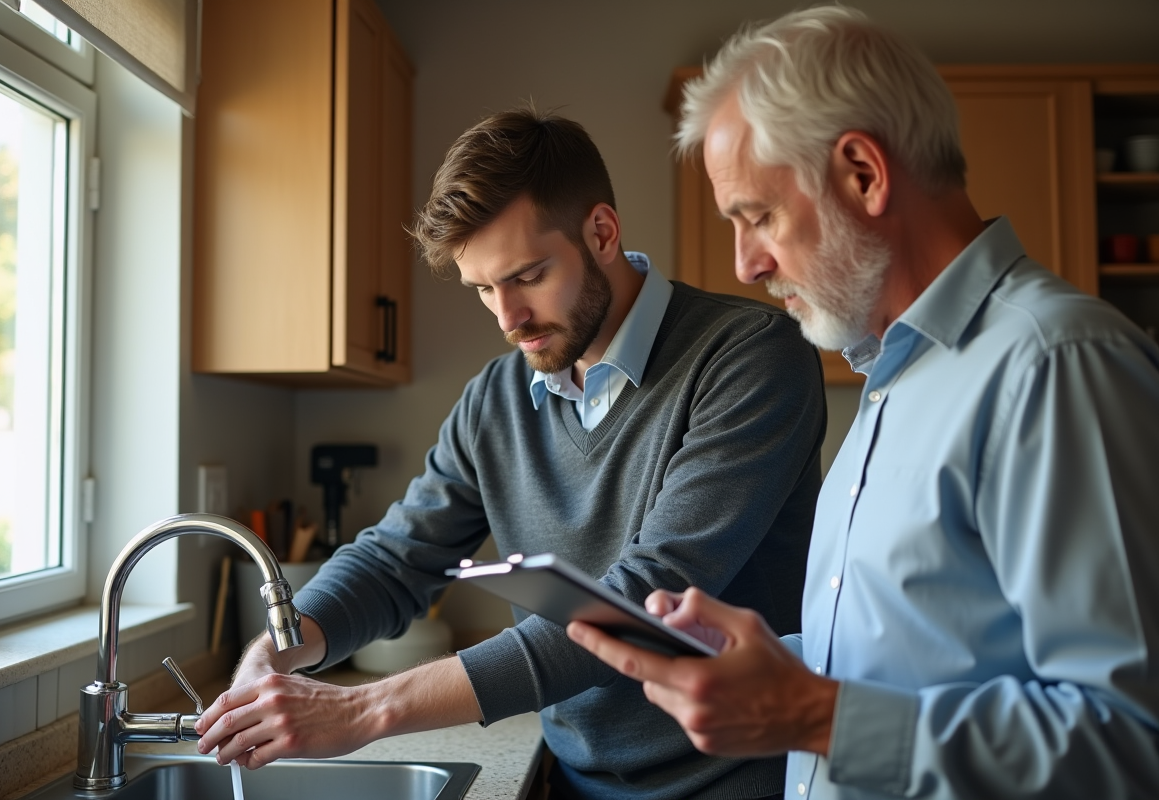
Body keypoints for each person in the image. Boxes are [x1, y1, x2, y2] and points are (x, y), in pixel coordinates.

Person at [568, 7, 1159, 799]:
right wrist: (780, 665)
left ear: (863, 175)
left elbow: (1130, 739)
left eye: (760, 216)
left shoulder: (1055, 366)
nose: (745, 264)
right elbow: (929, 655)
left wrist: (815, 715)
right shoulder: (895, 374)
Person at [195, 106, 827, 799]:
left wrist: (366, 708)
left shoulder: (750, 356)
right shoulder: (496, 397)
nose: (507, 318)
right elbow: (398, 559)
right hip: (573, 780)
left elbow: (644, 598)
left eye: (527, 276)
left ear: (602, 232)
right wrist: (276, 651)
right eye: (483, 289)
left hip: (735, 787)